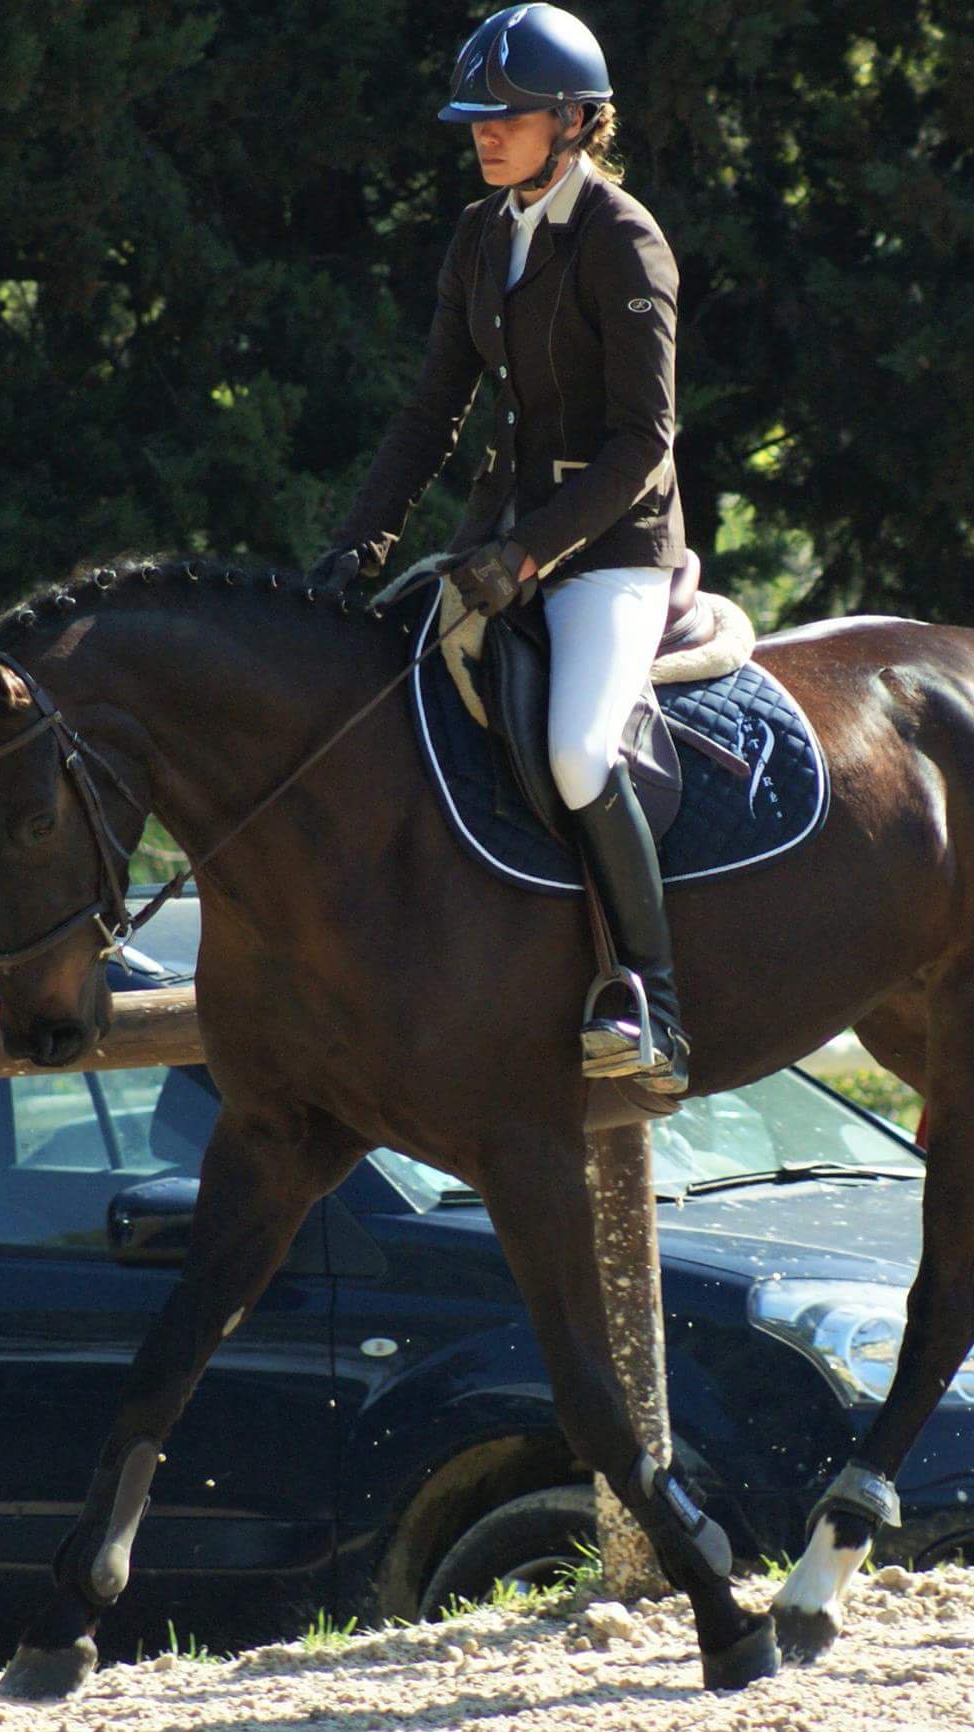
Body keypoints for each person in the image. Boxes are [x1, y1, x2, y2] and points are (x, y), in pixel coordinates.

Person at [308, 3, 690, 1093]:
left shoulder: (623, 238)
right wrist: (358, 545)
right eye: (477, 116)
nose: (485, 134)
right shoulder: (482, 236)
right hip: (495, 541)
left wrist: (528, 558)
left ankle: (653, 1006)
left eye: (508, 116)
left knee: (576, 751)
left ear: (574, 121)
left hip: (609, 547)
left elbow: (644, 442)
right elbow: (431, 411)